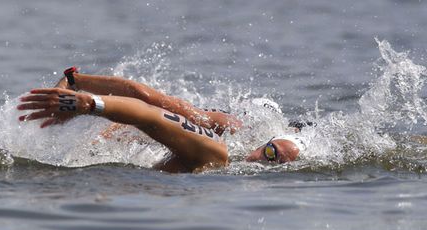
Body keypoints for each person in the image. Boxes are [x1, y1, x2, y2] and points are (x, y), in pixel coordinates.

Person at [17, 67, 304, 173]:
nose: (262, 161)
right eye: (269, 153)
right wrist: (79, 90)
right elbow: (151, 107)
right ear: (265, 140)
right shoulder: (223, 133)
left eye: (274, 163)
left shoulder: (222, 158)